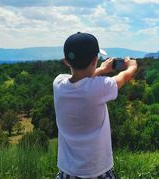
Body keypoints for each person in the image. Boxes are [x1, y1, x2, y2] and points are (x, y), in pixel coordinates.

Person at [53, 32, 138, 179]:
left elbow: (80, 81)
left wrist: (102, 69)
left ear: (66, 61)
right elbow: (124, 77)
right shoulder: (100, 87)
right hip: (98, 171)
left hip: (68, 171)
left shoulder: (58, 84)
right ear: (95, 59)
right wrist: (131, 66)